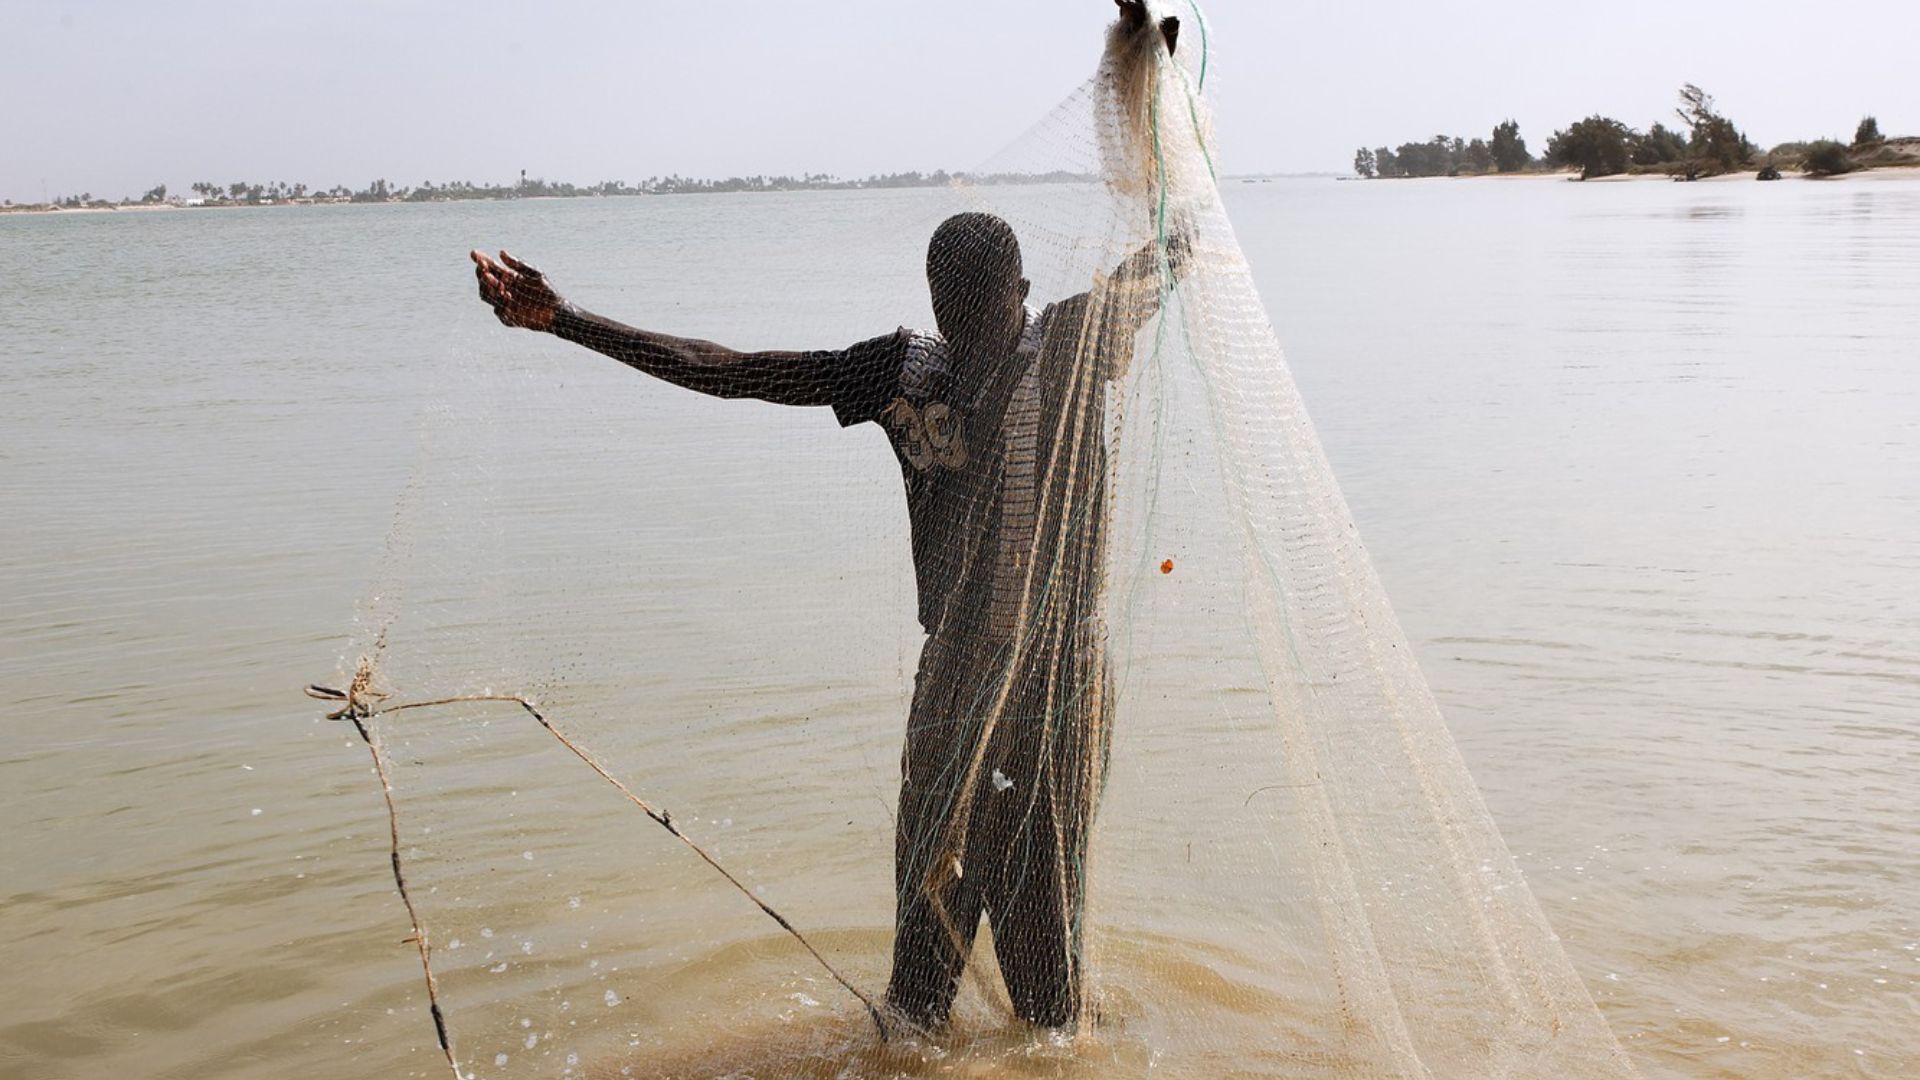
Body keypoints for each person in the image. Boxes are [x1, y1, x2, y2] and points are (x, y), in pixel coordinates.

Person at [470, 5, 1183, 1035]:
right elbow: (734, 370)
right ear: (944, 309)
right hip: (968, 688)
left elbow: (1171, 247)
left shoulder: (1066, 347)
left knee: (1039, 980)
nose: (977, 340)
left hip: (1053, 686)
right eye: (963, 319)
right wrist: (565, 320)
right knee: (930, 979)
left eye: (990, 315)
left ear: (1022, 294)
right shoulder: (919, 370)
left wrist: (1145, 107)